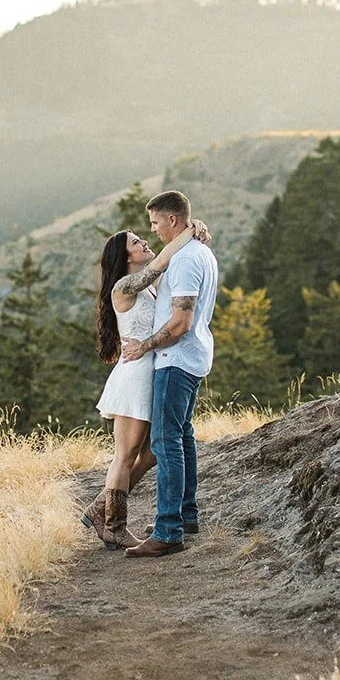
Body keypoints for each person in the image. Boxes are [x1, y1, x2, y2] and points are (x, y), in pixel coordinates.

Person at [84, 218, 209, 549]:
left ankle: (102, 505)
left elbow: (178, 272)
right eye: (135, 243)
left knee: (153, 451)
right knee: (125, 455)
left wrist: (195, 234)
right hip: (135, 375)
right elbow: (163, 261)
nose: (143, 243)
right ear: (126, 259)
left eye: (142, 238)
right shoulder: (123, 288)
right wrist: (188, 230)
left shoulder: (148, 287)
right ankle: (113, 524)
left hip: (153, 371)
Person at [121, 190, 219, 559]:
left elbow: (180, 322)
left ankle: (168, 531)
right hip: (190, 357)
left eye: (155, 222)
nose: (154, 229)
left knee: (165, 443)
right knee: (182, 435)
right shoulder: (196, 252)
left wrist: (143, 346)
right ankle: (186, 514)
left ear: (173, 221)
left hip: (176, 359)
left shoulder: (186, 261)